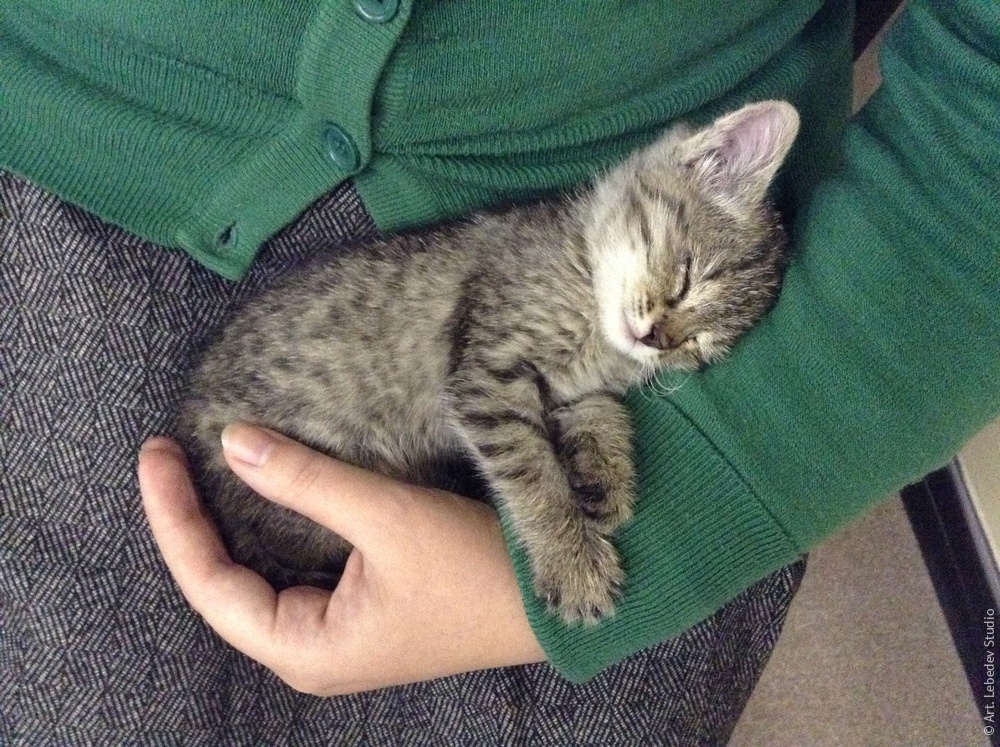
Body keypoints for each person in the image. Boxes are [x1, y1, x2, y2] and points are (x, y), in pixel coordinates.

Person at [2, 0, 997, 743]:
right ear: (697, 166)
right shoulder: (566, 261)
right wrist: (556, 533)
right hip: (85, 133)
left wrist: (695, 486)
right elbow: (493, 386)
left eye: (687, 340)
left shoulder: (618, 287)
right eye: (679, 289)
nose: (660, 331)